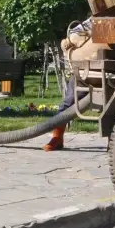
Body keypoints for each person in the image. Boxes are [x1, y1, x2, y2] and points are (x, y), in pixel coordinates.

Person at [44, 18, 93, 152]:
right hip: (83, 72)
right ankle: (57, 138)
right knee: (68, 104)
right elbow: (74, 34)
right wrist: (67, 42)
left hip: (111, 72)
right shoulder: (92, 23)